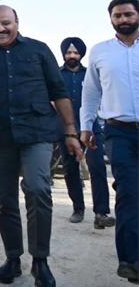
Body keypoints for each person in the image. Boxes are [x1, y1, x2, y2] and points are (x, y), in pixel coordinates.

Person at [0, 5, 82, 287]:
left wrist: (71, 132)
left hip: (36, 133)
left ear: (17, 22)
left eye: (6, 23)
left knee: (38, 189)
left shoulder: (39, 51)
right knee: (4, 200)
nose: (0, 29)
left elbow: (59, 92)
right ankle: (12, 259)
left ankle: (40, 262)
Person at [80, 0, 139, 285]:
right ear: (111, 19)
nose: (123, 20)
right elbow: (90, 93)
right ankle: (130, 260)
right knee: (128, 192)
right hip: (118, 131)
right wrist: (86, 126)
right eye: (117, 16)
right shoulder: (100, 52)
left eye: (128, 14)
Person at [58, 36, 115, 228]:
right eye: (68, 52)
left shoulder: (90, 74)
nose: (72, 55)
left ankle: (101, 212)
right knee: (70, 169)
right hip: (66, 131)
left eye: (75, 52)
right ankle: (78, 208)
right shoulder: (57, 75)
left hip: (91, 128)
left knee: (97, 167)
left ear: (81, 54)